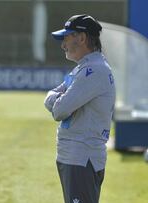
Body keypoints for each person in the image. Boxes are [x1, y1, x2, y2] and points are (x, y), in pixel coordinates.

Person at [44, 14, 116, 203]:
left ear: (82, 38)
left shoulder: (93, 71)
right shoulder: (84, 68)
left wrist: (56, 101)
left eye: (66, 37)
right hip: (75, 157)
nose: (63, 45)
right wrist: (57, 100)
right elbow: (52, 96)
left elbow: (59, 110)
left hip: (81, 159)